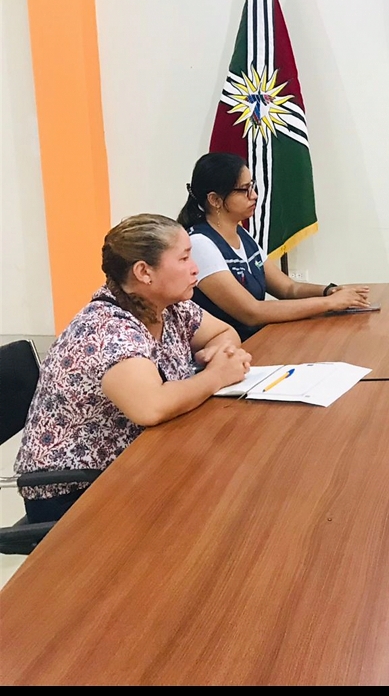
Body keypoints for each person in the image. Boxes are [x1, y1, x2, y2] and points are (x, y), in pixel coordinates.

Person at [14, 216, 252, 520]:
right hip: (76, 493)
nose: (195, 268)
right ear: (143, 272)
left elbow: (224, 332)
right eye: (183, 258)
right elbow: (151, 407)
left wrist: (220, 352)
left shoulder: (169, 306)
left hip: (138, 462)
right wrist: (217, 375)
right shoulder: (108, 330)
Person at [179, 155, 369, 339]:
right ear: (215, 200)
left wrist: (330, 291)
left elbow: (288, 288)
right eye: (244, 190)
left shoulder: (241, 233)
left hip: (258, 339)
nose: (254, 196)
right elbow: (252, 312)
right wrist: (329, 303)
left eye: (252, 186)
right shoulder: (200, 244)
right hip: (229, 349)